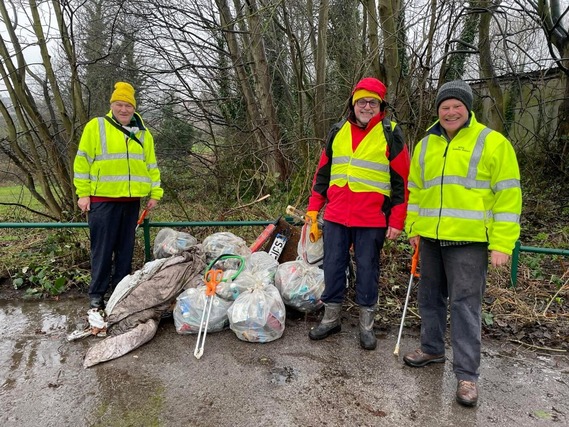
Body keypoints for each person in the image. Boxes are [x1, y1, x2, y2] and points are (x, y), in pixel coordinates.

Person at [403, 80, 522, 407]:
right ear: (438, 110)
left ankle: (467, 375)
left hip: (469, 242)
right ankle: (431, 349)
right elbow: (416, 189)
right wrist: (413, 226)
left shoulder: (493, 143)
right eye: (445, 107)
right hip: (430, 238)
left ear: (467, 108)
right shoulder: (426, 144)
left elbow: (508, 197)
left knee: (465, 308)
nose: (450, 111)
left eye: (457, 106)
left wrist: (502, 243)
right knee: (429, 297)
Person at [306, 77, 410, 350]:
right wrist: (313, 208)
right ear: (353, 103)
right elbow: (323, 174)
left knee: (367, 269)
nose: (367, 106)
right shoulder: (337, 130)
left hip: (372, 218)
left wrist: (397, 220)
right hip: (336, 214)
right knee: (332, 266)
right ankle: (331, 319)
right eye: (362, 101)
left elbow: (402, 180)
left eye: (372, 102)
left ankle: (366, 325)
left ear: (381, 105)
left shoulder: (391, 133)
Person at [73, 82, 163, 309]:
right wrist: (83, 194)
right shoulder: (96, 126)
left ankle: (120, 293)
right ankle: (97, 295)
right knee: (102, 250)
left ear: (134, 108)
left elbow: (151, 165)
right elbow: (82, 161)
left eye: (128, 106)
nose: (123, 109)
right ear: (112, 105)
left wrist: (155, 192)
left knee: (125, 251)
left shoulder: (143, 133)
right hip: (102, 200)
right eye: (119, 105)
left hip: (131, 202)